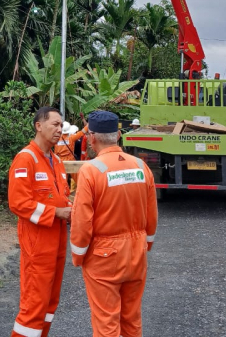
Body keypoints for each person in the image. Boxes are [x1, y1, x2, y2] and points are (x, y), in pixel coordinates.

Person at [70, 110, 158, 337]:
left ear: (91, 137)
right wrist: (146, 244)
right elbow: (152, 212)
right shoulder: (140, 166)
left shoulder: (91, 170)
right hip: (137, 253)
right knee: (131, 319)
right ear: (118, 135)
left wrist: (78, 256)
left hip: (104, 257)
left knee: (106, 322)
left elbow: (82, 220)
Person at [8, 106, 71, 337]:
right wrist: (57, 213)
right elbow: (18, 203)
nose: (60, 129)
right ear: (38, 126)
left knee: (49, 304)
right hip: (38, 244)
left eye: (61, 125)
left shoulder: (56, 160)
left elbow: (60, 197)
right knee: (34, 305)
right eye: (55, 124)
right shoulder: (26, 159)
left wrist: (71, 209)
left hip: (57, 241)